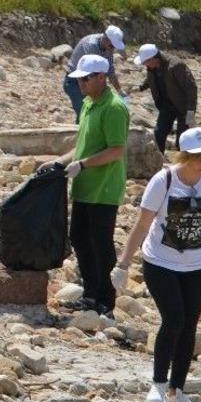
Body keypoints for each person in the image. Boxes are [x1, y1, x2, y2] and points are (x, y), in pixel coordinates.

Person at [111, 127, 201, 402]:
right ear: (184, 156)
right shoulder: (165, 180)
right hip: (160, 262)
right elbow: (143, 224)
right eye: (199, 157)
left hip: (197, 265)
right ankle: (158, 384)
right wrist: (123, 264)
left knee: (189, 325)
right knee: (174, 319)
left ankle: (177, 390)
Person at [41, 54, 128, 316]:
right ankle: (90, 295)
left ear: (101, 77)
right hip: (84, 186)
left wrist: (83, 164)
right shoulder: (89, 103)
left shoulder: (114, 107)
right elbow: (83, 143)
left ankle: (105, 301)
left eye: (85, 79)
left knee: (101, 243)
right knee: (79, 237)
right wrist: (60, 162)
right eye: (79, 79)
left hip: (103, 188)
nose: (80, 84)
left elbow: (116, 150)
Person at [135, 43, 197, 153]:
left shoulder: (176, 65)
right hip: (166, 106)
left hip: (183, 108)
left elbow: (191, 88)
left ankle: (185, 161)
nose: (144, 65)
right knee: (159, 134)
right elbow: (151, 79)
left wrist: (191, 113)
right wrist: (140, 87)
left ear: (154, 59)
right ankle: (159, 160)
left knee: (183, 140)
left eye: (145, 62)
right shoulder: (151, 67)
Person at [64, 25, 127, 120]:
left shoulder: (107, 48)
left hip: (89, 79)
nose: (112, 50)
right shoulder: (91, 45)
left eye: (114, 47)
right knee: (84, 112)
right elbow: (94, 73)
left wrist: (119, 90)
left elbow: (110, 70)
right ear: (105, 39)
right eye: (111, 46)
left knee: (92, 111)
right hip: (74, 81)